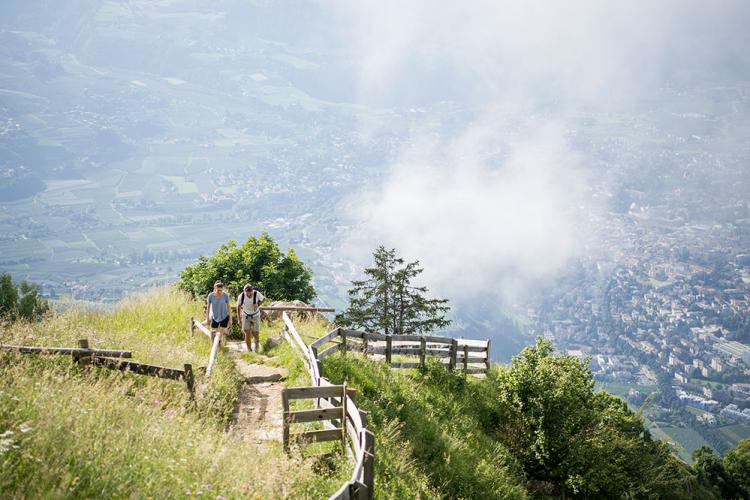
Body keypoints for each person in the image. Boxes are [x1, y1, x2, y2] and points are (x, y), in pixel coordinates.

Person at [237, 283, 264, 352]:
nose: (249, 294)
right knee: (247, 333)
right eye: (247, 293)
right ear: (244, 291)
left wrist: (258, 304)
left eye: (250, 292)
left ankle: (256, 346)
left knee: (256, 333)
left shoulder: (256, 293)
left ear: (252, 291)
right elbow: (238, 306)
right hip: (245, 315)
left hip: (255, 315)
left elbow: (263, 299)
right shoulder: (241, 296)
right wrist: (239, 319)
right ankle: (249, 349)